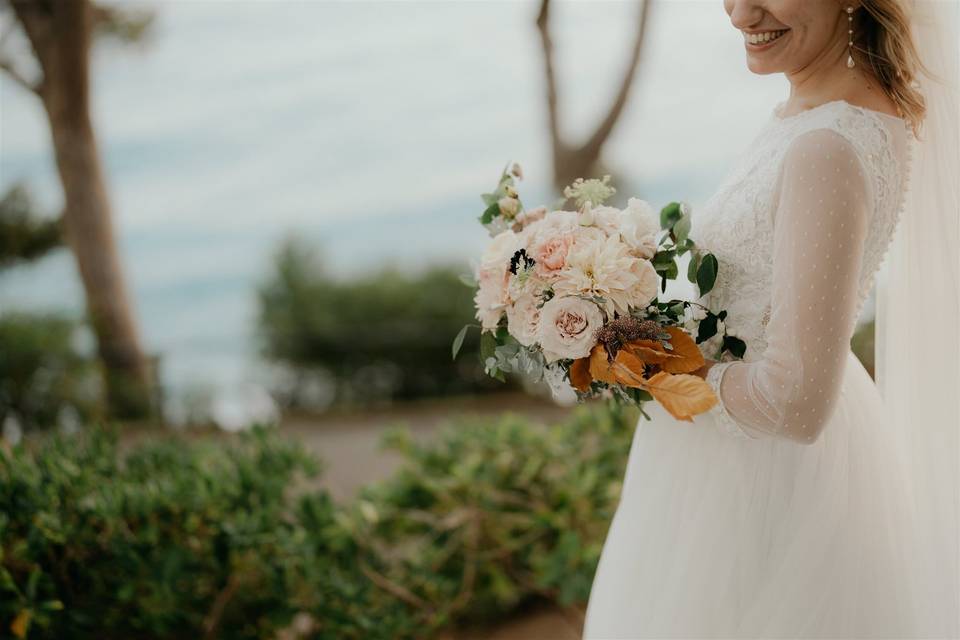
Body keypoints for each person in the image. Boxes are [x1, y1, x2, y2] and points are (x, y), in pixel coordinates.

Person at [581, 0, 959, 636]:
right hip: (729, 461)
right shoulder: (814, 114)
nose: (739, 11)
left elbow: (795, 402)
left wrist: (644, 364)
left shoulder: (826, 148)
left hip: (759, 486)